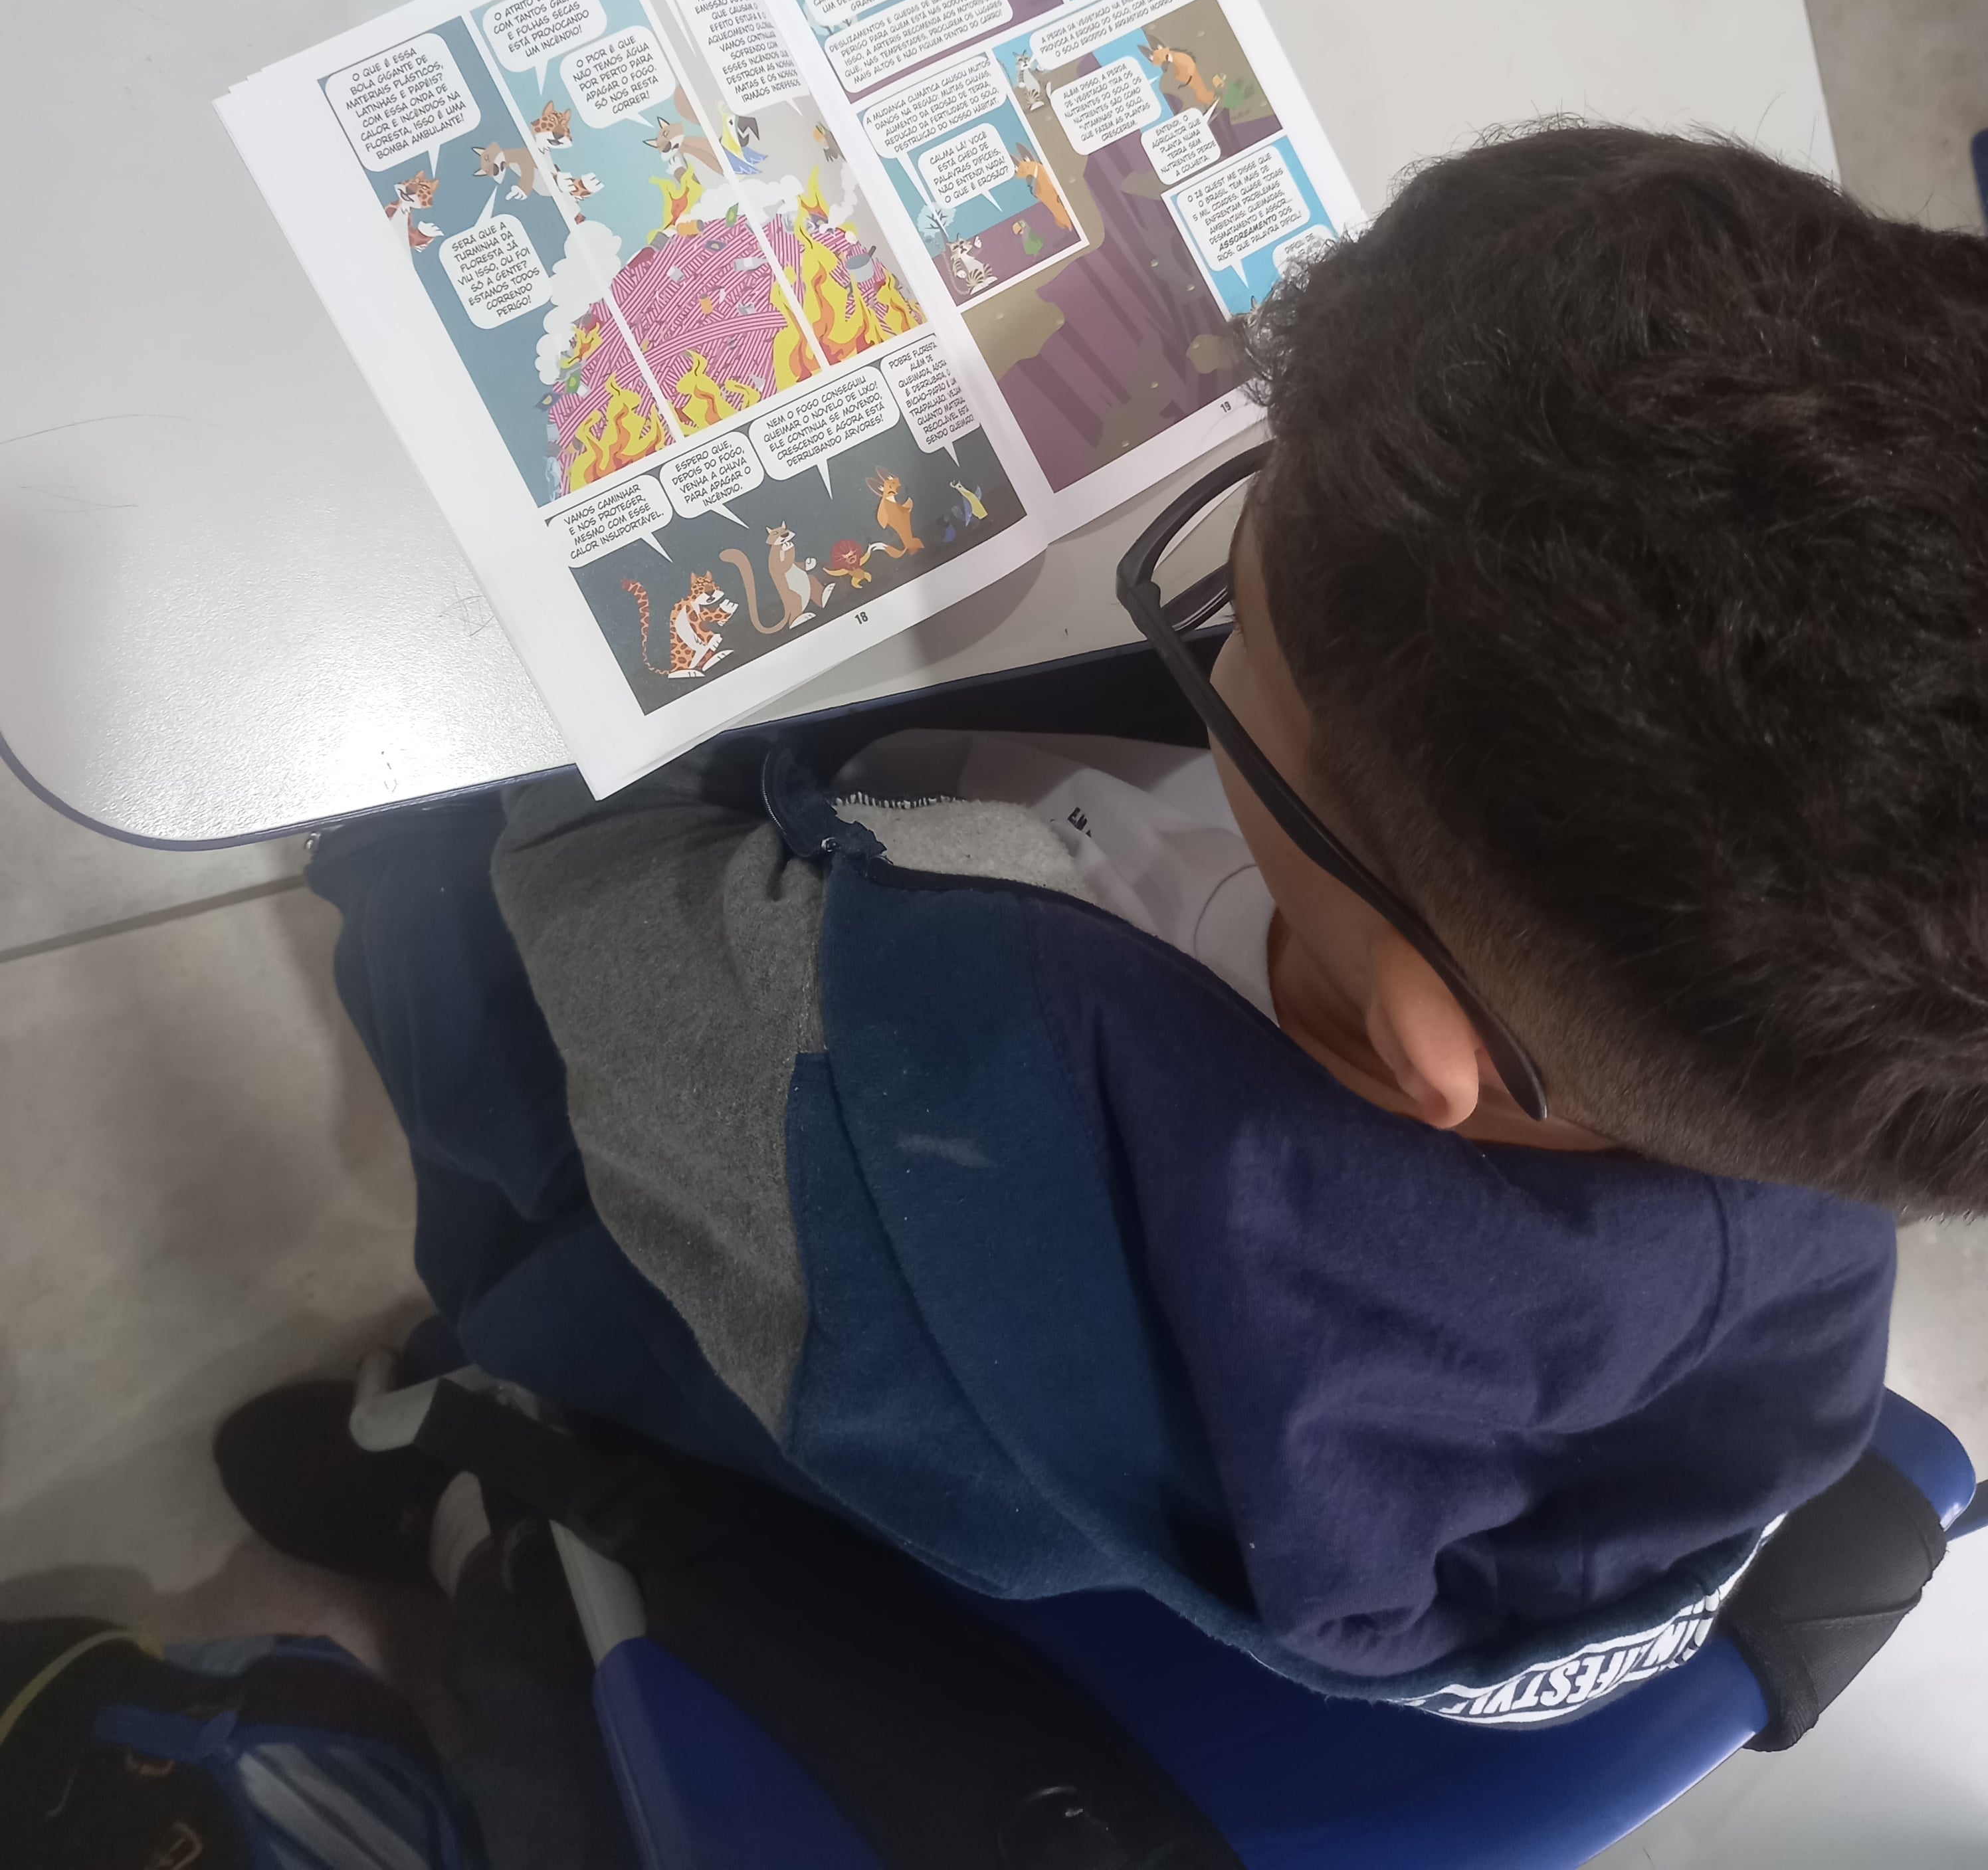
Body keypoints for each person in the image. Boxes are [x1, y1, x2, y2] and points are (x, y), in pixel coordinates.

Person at [300, 125, 1988, 1728]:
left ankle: (471, 1413)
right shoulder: (1838, 1036)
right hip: (1113, 1456)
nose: (1218, 611)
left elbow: (584, 893)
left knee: (428, 881)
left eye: (1219, 624)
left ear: (1417, 1028)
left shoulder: (885, 1083)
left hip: (792, 1293)